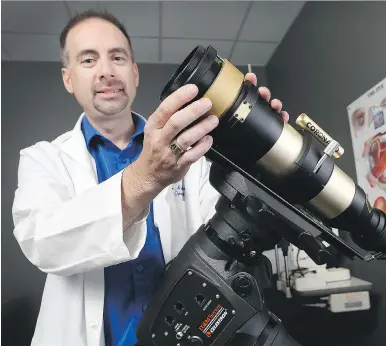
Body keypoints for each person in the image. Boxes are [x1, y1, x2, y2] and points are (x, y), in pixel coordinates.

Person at [12, 10, 290, 346]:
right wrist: (143, 179)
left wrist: (257, 159)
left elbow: (228, 232)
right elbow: (43, 242)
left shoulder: (192, 149)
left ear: (134, 72)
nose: (106, 71)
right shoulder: (43, 159)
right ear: (68, 78)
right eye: (88, 60)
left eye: (118, 57)